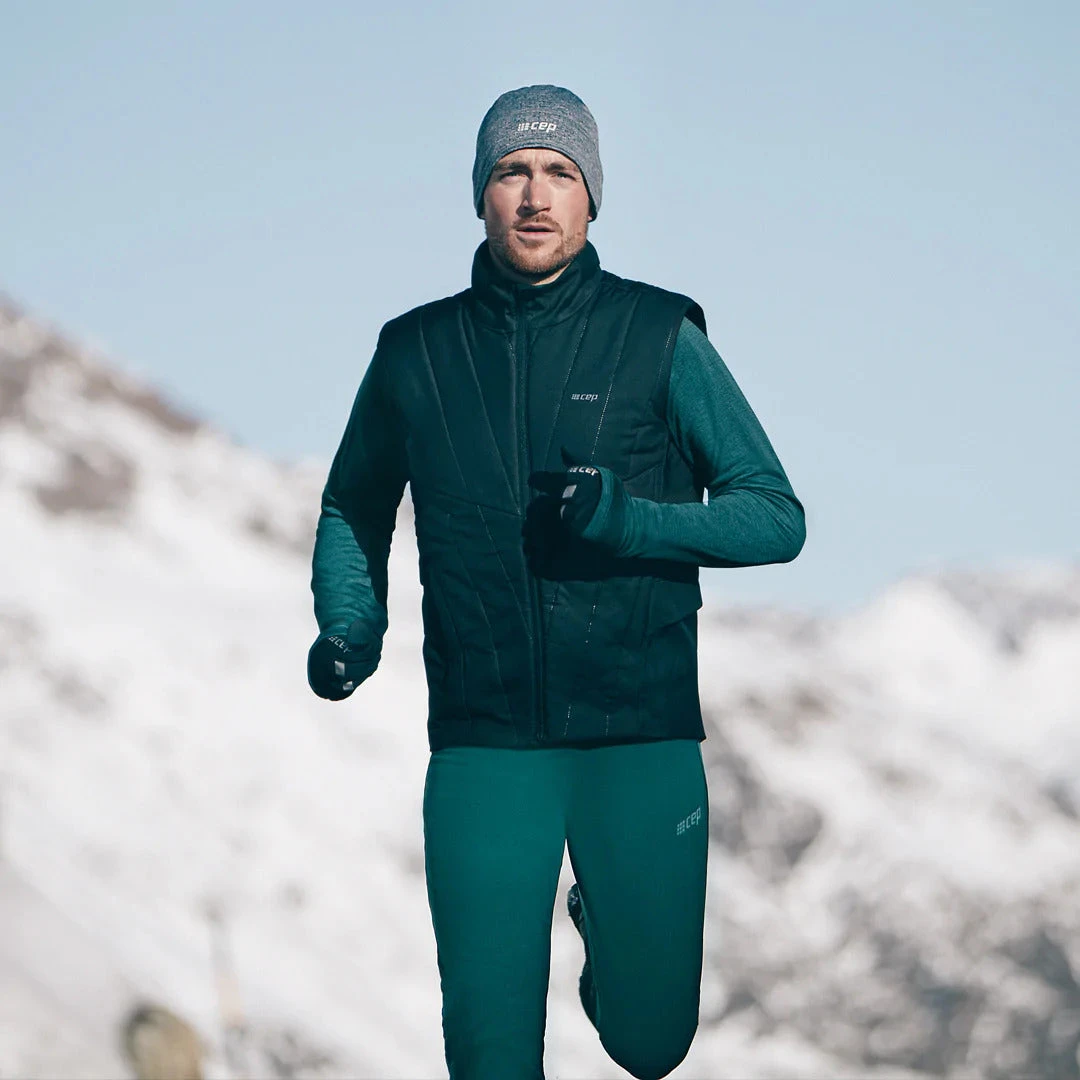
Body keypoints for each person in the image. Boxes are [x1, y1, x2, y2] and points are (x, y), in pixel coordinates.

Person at [308, 85, 805, 1080]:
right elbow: (352, 503)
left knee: (650, 1044)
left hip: (639, 731)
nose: (535, 195)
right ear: (481, 194)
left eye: (559, 173)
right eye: (512, 171)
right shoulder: (415, 353)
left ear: (591, 197)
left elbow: (774, 515)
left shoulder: (659, 335)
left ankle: (601, 926)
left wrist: (633, 520)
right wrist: (351, 624)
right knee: (489, 1052)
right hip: (485, 741)